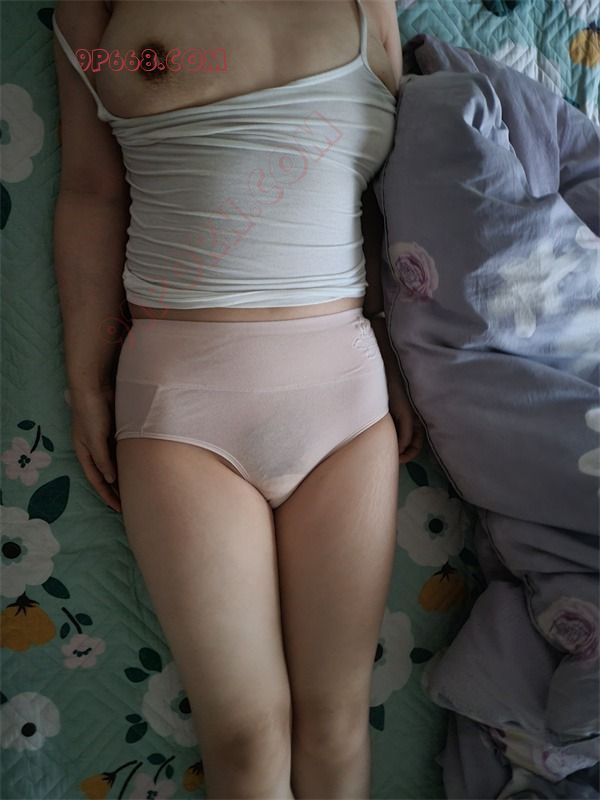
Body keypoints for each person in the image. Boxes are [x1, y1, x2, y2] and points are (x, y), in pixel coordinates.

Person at [53, 1, 424, 797]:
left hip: (343, 402)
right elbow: (90, 190)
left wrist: (392, 344)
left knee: (335, 723)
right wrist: (84, 379)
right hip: (180, 409)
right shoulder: (97, 9)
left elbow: (377, 195)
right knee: (248, 741)